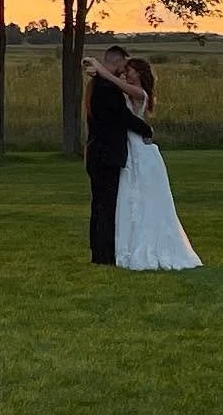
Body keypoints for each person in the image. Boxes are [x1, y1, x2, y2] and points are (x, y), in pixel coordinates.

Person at [85, 52, 203, 271]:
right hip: (128, 149)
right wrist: (98, 71)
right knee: (128, 198)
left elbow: (113, 82)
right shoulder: (123, 92)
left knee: (142, 198)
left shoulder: (139, 93)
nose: (124, 73)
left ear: (138, 74)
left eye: (128, 70)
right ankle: (122, 245)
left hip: (139, 149)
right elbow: (111, 84)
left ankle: (141, 245)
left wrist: (99, 67)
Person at [83, 44, 154, 265]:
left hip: (97, 151)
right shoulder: (108, 88)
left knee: (100, 204)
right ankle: (104, 254)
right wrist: (147, 129)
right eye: (124, 65)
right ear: (116, 61)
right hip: (107, 153)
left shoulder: (97, 84)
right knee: (106, 205)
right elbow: (123, 117)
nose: (125, 71)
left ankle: (100, 252)